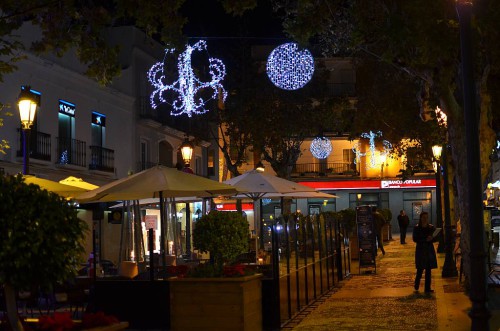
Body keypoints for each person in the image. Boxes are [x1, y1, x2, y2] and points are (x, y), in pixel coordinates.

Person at [412, 212, 438, 293]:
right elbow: (415, 238)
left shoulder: (431, 227)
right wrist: (425, 240)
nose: (425, 219)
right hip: (420, 249)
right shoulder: (417, 228)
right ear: (421, 218)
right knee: (420, 269)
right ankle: (416, 284)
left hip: (429, 250)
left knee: (428, 270)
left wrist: (432, 239)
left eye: (426, 217)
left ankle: (427, 288)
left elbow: (436, 237)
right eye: (424, 217)